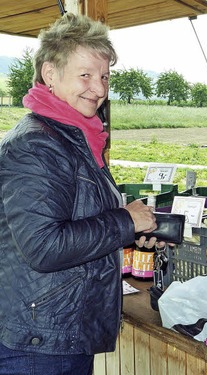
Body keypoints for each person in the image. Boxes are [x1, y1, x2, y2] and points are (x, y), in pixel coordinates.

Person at [0, 13, 162, 375]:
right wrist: (123, 221)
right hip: (39, 342)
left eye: (104, 76)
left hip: (60, 327)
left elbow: (78, 221)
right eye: (85, 75)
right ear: (50, 74)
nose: (99, 89)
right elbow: (44, 246)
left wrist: (133, 233)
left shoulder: (74, 135)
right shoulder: (37, 144)